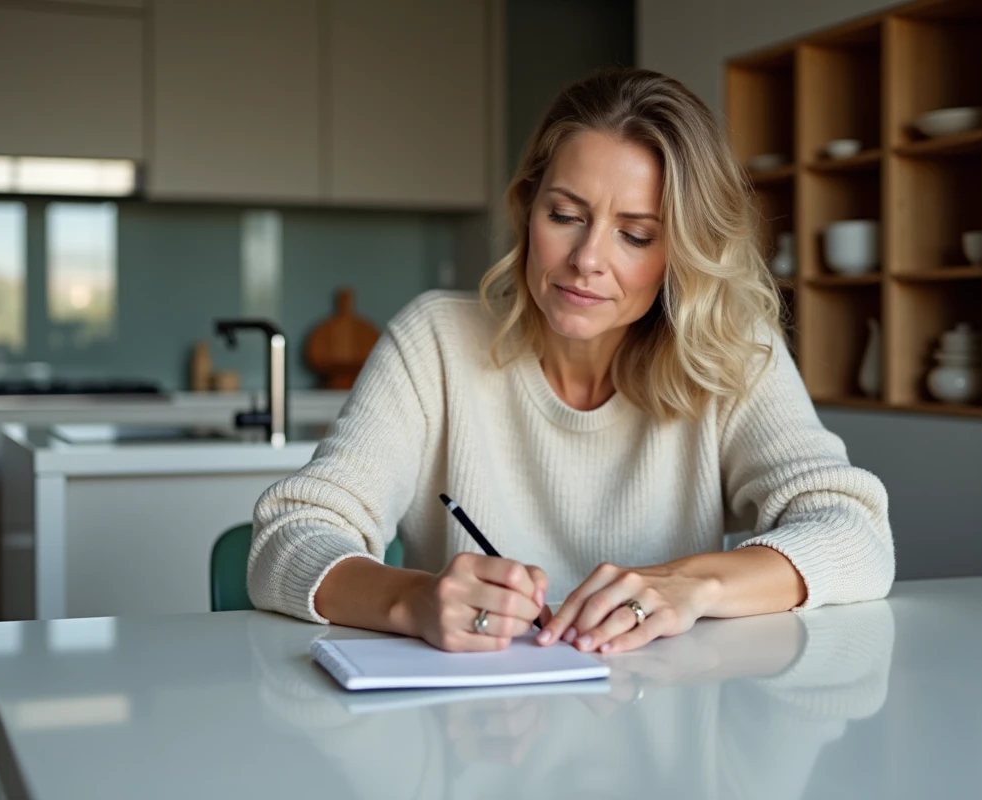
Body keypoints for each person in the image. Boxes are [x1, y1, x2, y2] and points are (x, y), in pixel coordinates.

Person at [248, 67, 894, 655]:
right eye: (564, 215)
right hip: (468, 727)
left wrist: (691, 585)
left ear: (682, 252)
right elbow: (288, 537)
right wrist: (411, 599)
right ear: (528, 208)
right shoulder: (435, 343)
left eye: (635, 235)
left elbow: (857, 534)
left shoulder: (731, 348)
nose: (587, 259)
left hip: (662, 718)